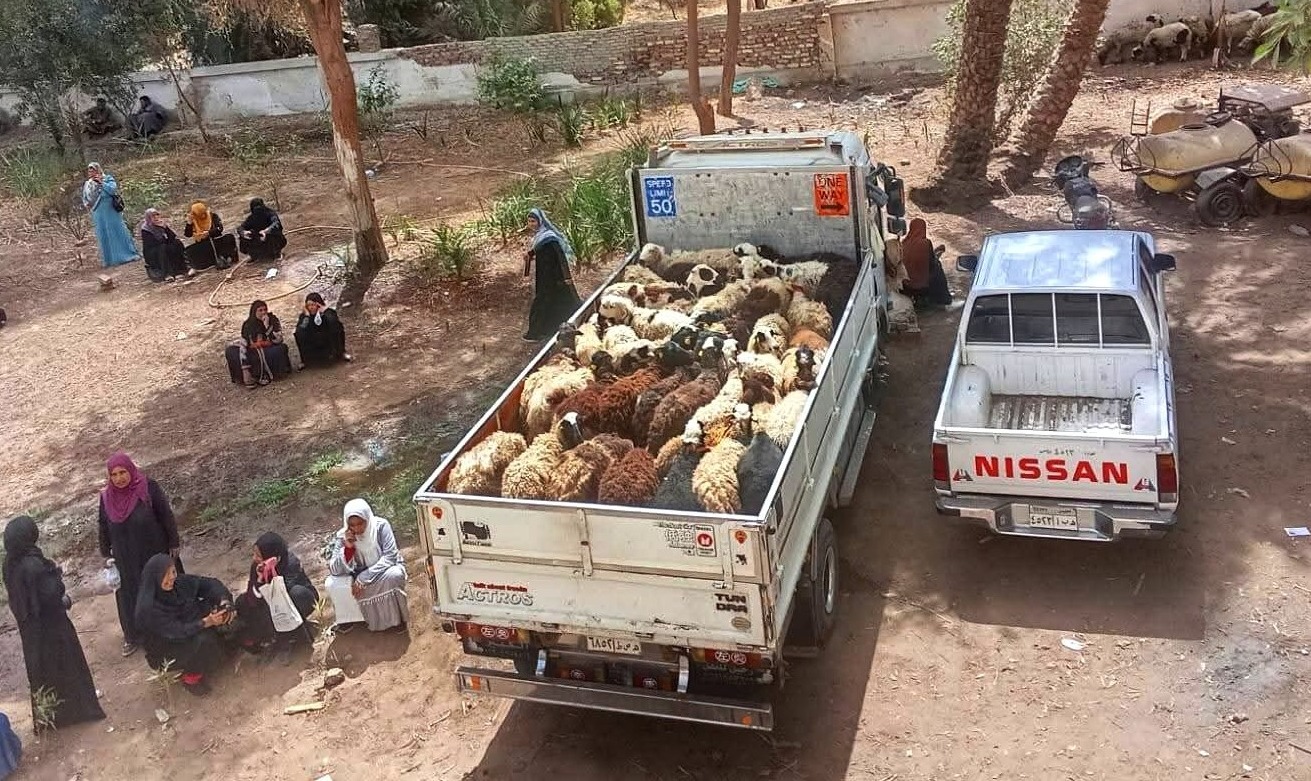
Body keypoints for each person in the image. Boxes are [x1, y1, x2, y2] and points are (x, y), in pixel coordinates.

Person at [4, 516, 106, 729]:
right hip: (53, 627)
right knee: (67, 667)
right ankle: (80, 711)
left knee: (42, 672)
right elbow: (52, 594)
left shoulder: (9, 565)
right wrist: (63, 597)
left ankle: (50, 718)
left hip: (30, 631)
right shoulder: (33, 565)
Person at [97, 452, 182, 658]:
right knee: (130, 594)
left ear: (130, 470)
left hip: (152, 551)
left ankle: (173, 625)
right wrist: (105, 553)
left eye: (123, 472)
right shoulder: (107, 498)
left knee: (161, 586)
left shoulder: (147, 488)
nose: (119, 478)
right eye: (114, 474)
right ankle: (134, 635)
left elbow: (165, 514)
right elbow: (103, 525)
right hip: (125, 557)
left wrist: (173, 541)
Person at [134, 554, 235, 695]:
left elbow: (209, 585)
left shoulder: (179, 583)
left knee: (216, 607)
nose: (171, 578)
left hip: (188, 624)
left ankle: (219, 648)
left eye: (173, 572)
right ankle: (191, 677)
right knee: (204, 640)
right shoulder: (148, 609)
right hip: (168, 647)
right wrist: (206, 622)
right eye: (165, 575)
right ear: (155, 578)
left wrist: (224, 602)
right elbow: (177, 632)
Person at [324, 499, 408, 633]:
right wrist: (348, 548)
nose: (357, 529)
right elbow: (335, 570)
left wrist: (364, 578)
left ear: (367, 518)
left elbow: (390, 556)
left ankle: (395, 620)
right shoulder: (343, 536)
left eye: (360, 523)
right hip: (357, 575)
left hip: (381, 571)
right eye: (352, 525)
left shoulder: (381, 526)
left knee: (394, 575)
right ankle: (348, 619)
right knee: (332, 583)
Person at [235, 532, 318, 662]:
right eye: (254, 554)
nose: (255, 558)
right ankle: (270, 637)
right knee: (242, 602)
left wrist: (271, 573)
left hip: (296, 600)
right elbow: (252, 596)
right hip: (271, 604)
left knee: (296, 594)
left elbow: (282, 593)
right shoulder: (257, 567)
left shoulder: (290, 563)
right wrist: (260, 579)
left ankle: (296, 635)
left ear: (274, 557)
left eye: (259, 555)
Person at [522, 207, 582, 342]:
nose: (531, 224)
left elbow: (560, 257)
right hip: (544, 274)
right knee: (550, 301)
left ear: (540, 221)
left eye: (533, 221)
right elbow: (539, 249)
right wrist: (530, 254)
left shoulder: (550, 237)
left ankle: (534, 333)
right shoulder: (540, 236)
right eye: (529, 221)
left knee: (545, 300)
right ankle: (547, 330)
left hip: (555, 276)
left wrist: (567, 277)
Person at [82, 163, 140, 268]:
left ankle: (125, 255)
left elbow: (112, 190)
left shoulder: (107, 178)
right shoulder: (88, 184)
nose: (91, 173)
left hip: (110, 210)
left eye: (93, 170)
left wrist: (101, 183)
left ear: (98, 170)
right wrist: (87, 204)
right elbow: (85, 197)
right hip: (98, 212)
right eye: (90, 171)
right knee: (103, 234)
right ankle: (109, 260)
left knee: (116, 231)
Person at [899, 218, 953, 310]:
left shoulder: (904, 243)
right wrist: (937, 254)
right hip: (921, 285)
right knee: (938, 269)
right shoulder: (925, 243)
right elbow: (931, 262)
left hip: (905, 285)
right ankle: (943, 300)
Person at [238, 299, 293, 387]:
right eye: (260, 310)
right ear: (254, 312)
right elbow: (244, 342)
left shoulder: (273, 319)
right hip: (254, 351)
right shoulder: (247, 324)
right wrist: (245, 368)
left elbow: (279, 339)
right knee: (231, 351)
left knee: (282, 348)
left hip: (269, 349)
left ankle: (270, 374)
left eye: (265, 310)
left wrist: (267, 326)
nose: (263, 312)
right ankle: (247, 377)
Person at [294, 292, 351, 369]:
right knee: (299, 334)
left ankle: (341, 353)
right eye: (308, 305)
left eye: (313, 305)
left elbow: (334, 323)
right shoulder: (304, 316)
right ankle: (305, 360)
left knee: (338, 327)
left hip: (327, 342)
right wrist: (307, 317)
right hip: (313, 343)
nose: (311, 307)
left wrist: (325, 311)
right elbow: (300, 331)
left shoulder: (329, 312)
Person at [140, 208, 193, 283]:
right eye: (153, 216)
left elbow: (172, 237)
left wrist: (165, 228)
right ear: (149, 218)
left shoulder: (161, 224)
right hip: (152, 253)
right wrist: (165, 240)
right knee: (162, 248)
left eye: (157, 215)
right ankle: (167, 274)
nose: (156, 218)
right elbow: (153, 243)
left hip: (163, 245)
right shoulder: (146, 229)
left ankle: (184, 267)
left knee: (177, 243)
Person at [183, 201, 237, 271]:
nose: (202, 216)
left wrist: (209, 233)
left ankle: (226, 257)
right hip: (203, 243)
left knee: (229, 237)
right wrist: (189, 224)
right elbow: (188, 235)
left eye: (203, 213)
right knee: (189, 250)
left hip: (216, 240)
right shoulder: (193, 220)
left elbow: (220, 228)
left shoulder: (212, 216)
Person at [238, 198, 287, 262]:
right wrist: (244, 232)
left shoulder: (270, 213)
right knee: (243, 237)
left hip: (271, 239)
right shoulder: (252, 217)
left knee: (274, 233)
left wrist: (266, 231)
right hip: (259, 240)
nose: (258, 209)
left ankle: (277, 254)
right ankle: (254, 256)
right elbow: (241, 227)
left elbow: (276, 224)